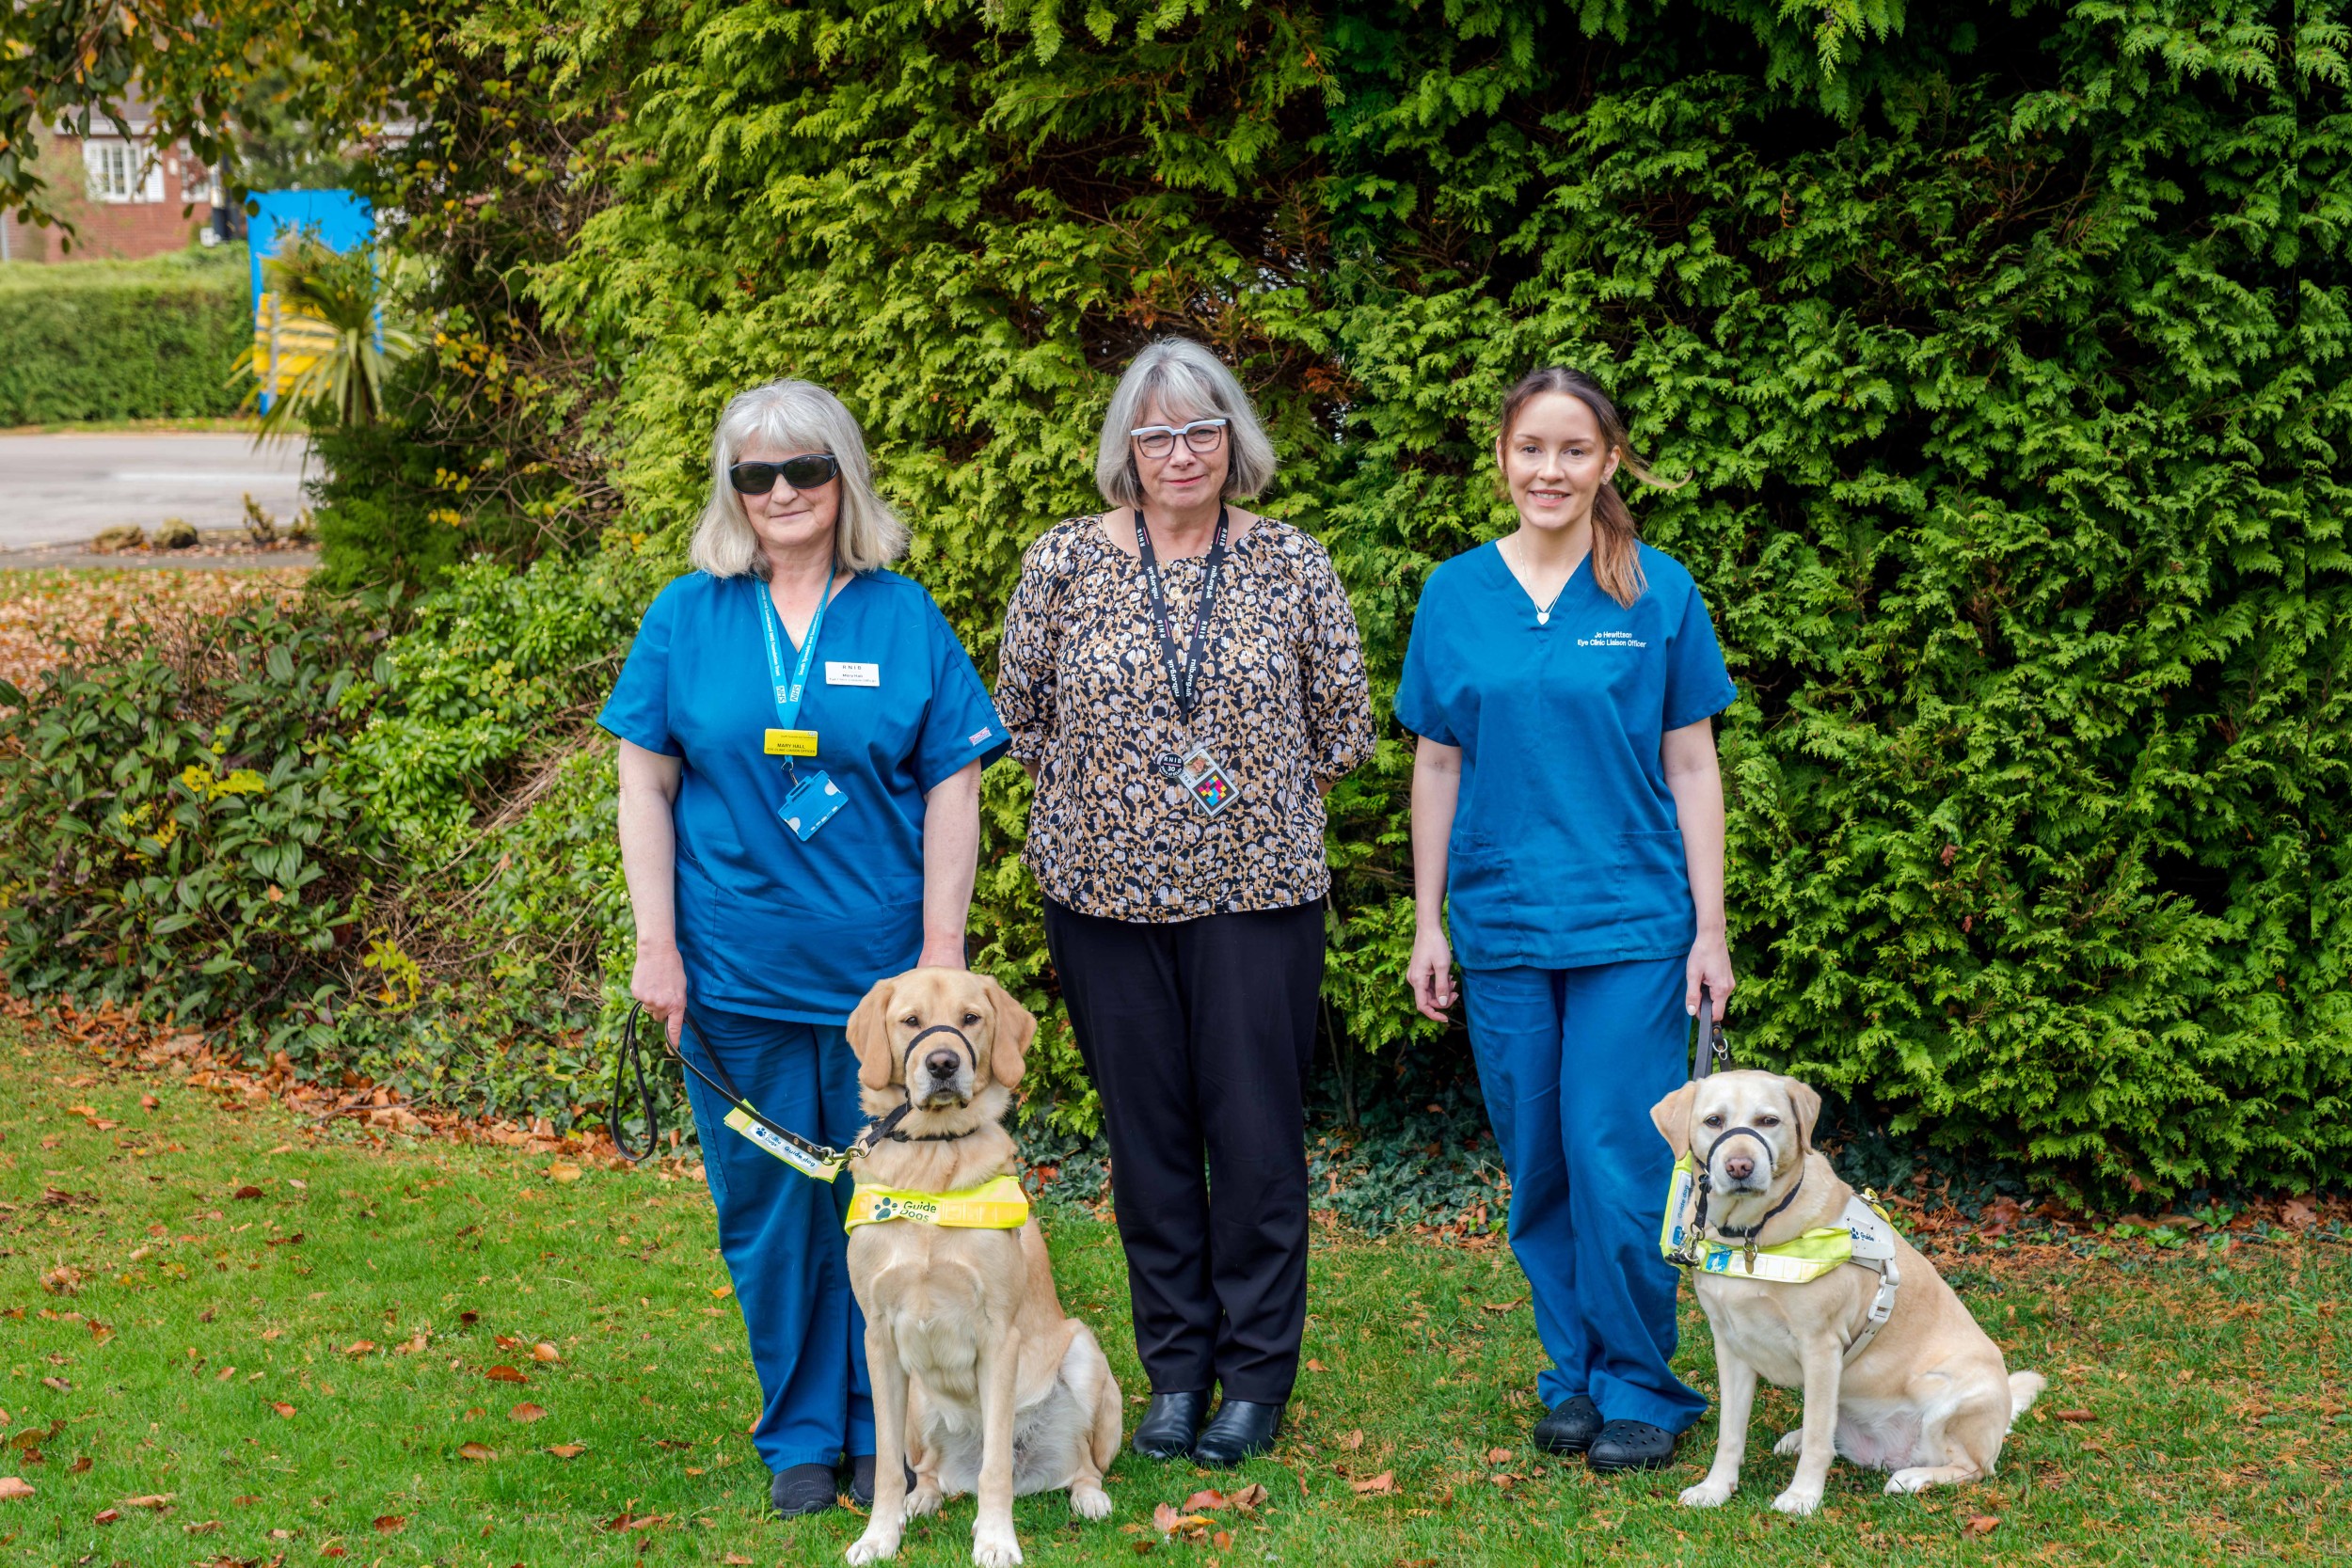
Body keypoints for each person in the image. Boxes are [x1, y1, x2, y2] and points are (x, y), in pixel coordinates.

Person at [600, 378, 1009, 1517]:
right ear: (733, 491)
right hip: (735, 983)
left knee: (897, 1213)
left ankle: (894, 1436)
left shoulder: (900, 612)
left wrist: (938, 962)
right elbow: (645, 779)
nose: (783, 493)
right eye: (756, 475)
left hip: (881, 1002)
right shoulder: (688, 613)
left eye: (805, 470)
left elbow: (954, 782)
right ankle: (801, 1438)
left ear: (843, 478)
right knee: (772, 1218)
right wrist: (656, 945)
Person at [994, 338, 1375, 1466]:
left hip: (1255, 897)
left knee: (1255, 1139)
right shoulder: (1061, 561)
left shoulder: (1293, 563)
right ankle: (1175, 1372)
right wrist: (1117, 798)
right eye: (1154, 433)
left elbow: (1343, 728)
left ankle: (1255, 1378)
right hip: (1101, 898)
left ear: (1233, 441)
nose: (1179, 453)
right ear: (1125, 447)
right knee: (1148, 1142)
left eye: (1200, 430)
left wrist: (1241, 797)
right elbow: (1017, 714)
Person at [1397, 365, 1738, 1474]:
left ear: (1609, 461)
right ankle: (1573, 1377)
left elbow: (1692, 762)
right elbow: (1436, 761)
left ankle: (1644, 1382)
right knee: (1539, 1161)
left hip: (1631, 922)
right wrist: (1427, 923)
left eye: (1574, 450)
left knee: (1617, 1157)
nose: (1551, 470)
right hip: (1498, 924)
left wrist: (1710, 929)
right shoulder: (1454, 594)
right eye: (1531, 448)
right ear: (1501, 456)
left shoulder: (1657, 591)